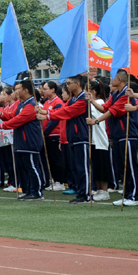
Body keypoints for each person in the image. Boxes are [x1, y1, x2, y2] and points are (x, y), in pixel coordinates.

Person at [92, 70, 138, 206]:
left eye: (113, 79)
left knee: (131, 167)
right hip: (118, 136)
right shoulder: (115, 94)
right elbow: (105, 108)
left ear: (120, 80)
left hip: (128, 135)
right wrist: (91, 101)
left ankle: (135, 197)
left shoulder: (126, 94)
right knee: (122, 168)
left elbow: (113, 111)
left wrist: (96, 121)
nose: (111, 81)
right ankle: (127, 195)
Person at [39, 74, 91, 203]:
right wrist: (47, 112)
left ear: (77, 84)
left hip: (81, 137)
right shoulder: (73, 99)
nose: (67, 86)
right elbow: (64, 109)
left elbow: (67, 112)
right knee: (76, 168)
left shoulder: (83, 99)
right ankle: (80, 193)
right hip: (73, 137)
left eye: (69, 83)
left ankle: (85, 194)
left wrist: (47, 116)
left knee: (82, 168)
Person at [0, 79, 44, 201]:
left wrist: (1, 125)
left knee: (32, 167)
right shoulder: (22, 103)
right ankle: (28, 191)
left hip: (30, 141)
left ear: (26, 90)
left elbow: (19, 120)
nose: (15, 92)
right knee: (24, 168)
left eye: (18, 89)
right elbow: (13, 116)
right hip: (21, 140)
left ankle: (37, 192)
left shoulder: (31, 104)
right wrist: (1, 114)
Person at [87, 80, 111, 200]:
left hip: (100, 139)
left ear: (94, 92)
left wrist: (91, 102)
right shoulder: (90, 103)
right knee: (96, 166)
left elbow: (98, 113)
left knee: (102, 166)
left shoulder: (100, 102)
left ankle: (104, 191)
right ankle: (98, 189)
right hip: (92, 140)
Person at [40, 80, 65, 191]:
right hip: (48, 135)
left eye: (46, 89)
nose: (43, 91)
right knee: (50, 159)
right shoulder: (46, 102)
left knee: (56, 159)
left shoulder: (57, 102)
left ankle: (60, 181)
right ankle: (55, 180)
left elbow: (55, 119)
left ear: (53, 89)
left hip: (54, 134)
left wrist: (46, 132)